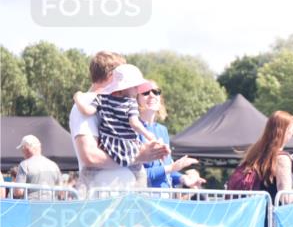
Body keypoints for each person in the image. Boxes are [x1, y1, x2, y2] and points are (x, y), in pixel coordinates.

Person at [71, 51, 168, 196]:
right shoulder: (90, 100)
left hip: (119, 198)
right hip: (103, 199)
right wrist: (139, 155)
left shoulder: (103, 100)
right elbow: (90, 156)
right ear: (112, 75)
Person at [73, 64, 159, 168]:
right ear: (125, 87)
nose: (138, 90)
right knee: (138, 170)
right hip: (127, 145)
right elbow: (134, 123)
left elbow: (87, 111)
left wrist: (77, 98)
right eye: (135, 87)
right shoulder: (131, 103)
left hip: (108, 144)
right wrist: (148, 134)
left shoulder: (101, 98)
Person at [138, 80, 199, 189]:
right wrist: (171, 168)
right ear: (136, 99)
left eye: (156, 92)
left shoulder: (162, 130)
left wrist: (183, 179)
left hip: (166, 195)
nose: (152, 95)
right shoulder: (132, 129)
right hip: (143, 196)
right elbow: (137, 175)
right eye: (146, 92)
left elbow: (168, 169)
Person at [227, 110, 293, 201]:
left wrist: (282, 120)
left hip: (255, 208)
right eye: (292, 129)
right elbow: (285, 198)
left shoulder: (257, 153)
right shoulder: (282, 159)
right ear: (287, 131)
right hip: (271, 209)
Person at [12, 135, 61, 199]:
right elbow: (61, 191)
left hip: (31, 203)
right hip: (51, 204)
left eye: (22, 149)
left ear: (26, 149)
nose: (22, 152)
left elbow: (18, 191)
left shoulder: (24, 165)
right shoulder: (54, 165)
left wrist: (12, 189)